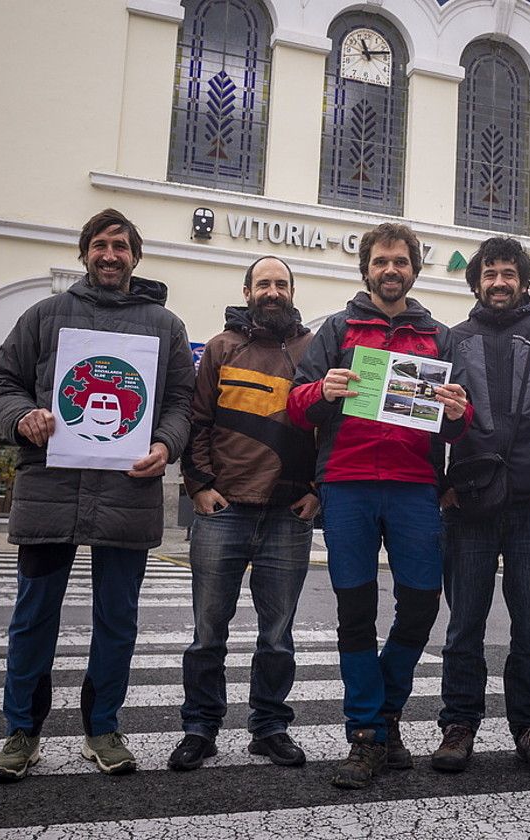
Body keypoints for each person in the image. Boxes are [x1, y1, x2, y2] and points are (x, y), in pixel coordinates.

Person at [0, 208, 195, 780]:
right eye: (100, 245)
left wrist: (167, 445)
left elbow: (181, 403)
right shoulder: (45, 315)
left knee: (117, 620)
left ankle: (103, 728)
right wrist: (22, 415)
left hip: (128, 490)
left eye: (120, 246)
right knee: (33, 619)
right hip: (50, 488)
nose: (110, 255)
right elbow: (0, 382)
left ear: (135, 256)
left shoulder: (165, 325)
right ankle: (21, 734)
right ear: (85, 253)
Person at [288, 222, 471, 790]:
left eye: (401, 262)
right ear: (366, 268)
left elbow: (459, 429)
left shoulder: (441, 337)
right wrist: (322, 392)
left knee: (420, 604)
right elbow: (296, 407)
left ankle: (386, 711)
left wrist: (458, 412)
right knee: (355, 612)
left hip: (416, 486)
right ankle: (366, 734)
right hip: (347, 485)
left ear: (414, 270)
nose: (391, 270)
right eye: (381, 261)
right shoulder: (337, 330)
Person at [168, 255, 319, 771]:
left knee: (278, 635)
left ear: (293, 291)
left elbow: (330, 426)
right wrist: (200, 487)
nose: (272, 291)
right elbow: (197, 421)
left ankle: (270, 728)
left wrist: (318, 490)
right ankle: (200, 728)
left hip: (287, 514)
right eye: (264, 284)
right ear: (248, 290)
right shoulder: (220, 347)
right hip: (224, 509)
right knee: (208, 632)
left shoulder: (313, 350)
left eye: (281, 284)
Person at [429, 237, 530, 776]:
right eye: (489, 274)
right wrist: (438, 482)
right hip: (468, 499)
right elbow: (430, 419)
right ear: (476, 282)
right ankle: (458, 725)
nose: (499, 282)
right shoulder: (451, 341)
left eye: (509, 273)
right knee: (464, 622)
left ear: (524, 281)